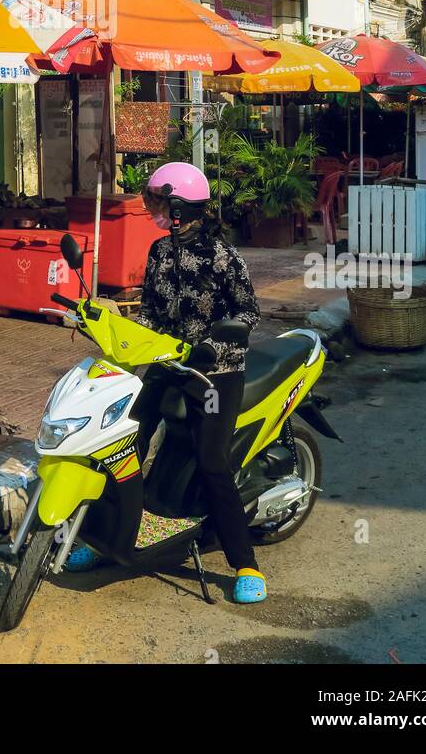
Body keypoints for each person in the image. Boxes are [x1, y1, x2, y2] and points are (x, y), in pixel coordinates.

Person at [138, 161, 266, 604]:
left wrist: (214, 343)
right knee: (126, 445)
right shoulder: (159, 251)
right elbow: (151, 309)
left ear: (179, 207)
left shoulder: (224, 256)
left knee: (212, 461)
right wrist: (132, 336)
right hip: (169, 364)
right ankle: (103, 536)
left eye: (158, 202)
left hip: (215, 374)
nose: (152, 210)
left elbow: (248, 313)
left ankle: (245, 563)